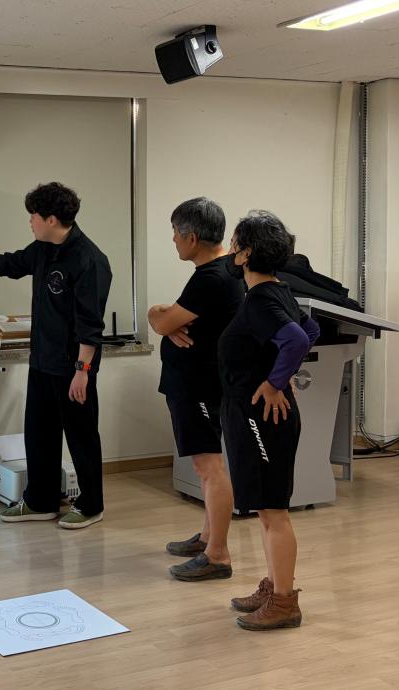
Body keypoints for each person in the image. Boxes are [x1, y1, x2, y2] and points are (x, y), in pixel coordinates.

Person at [0, 182, 112, 529]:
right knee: (39, 433)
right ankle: (40, 501)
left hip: (74, 366)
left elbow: (90, 324)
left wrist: (83, 370)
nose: (30, 221)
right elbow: (9, 263)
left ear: (51, 219)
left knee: (80, 436)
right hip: (43, 361)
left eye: (33, 216)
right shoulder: (43, 249)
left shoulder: (89, 260)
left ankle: (91, 505)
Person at [217, 211, 319, 630]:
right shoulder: (277, 291)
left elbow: (296, 338)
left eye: (235, 244)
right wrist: (281, 372)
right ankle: (276, 585)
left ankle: (284, 603)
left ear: (245, 254)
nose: (230, 251)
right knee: (266, 509)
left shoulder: (262, 299)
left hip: (263, 418)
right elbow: (311, 330)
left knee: (274, 511)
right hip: (255, 416)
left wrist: (276, 381)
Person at [147, 198, 243, 582]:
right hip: (195, 383)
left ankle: (217, 555)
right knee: (207, 468)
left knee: (209, 468)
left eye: (175, 233)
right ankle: (207, 537)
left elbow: (162, 321)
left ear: (191, 237)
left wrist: (161, 318)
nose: (173, 239)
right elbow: (168, 320)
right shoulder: (222, 271)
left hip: (200, 385)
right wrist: (165, 320)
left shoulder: (212, 278)